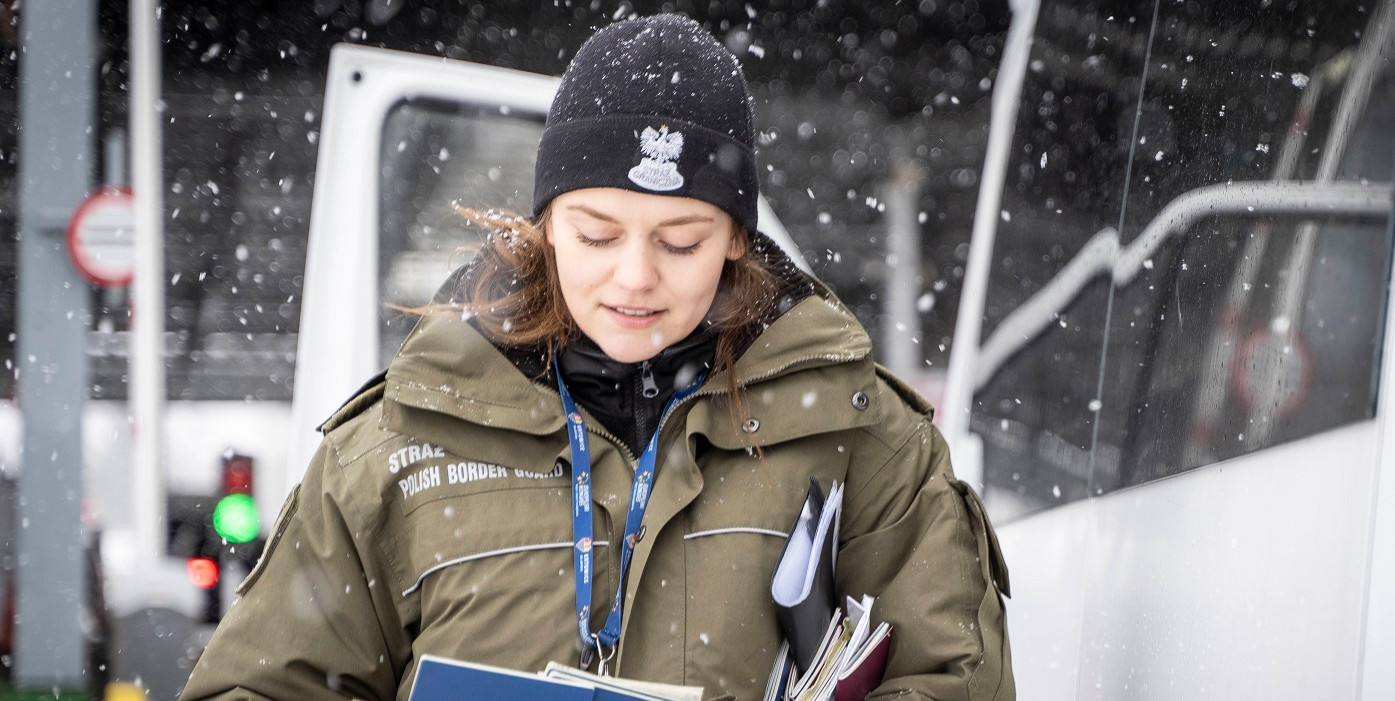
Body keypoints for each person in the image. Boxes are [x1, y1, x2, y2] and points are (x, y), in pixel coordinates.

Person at [181, 14, 1013, 701]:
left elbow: (954, 679)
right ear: (544, 224)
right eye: (596, 233)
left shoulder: (860, 434)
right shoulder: (397, 443)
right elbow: (258, 685)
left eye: (681, 241)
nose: (635, 277)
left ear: (735, 240)